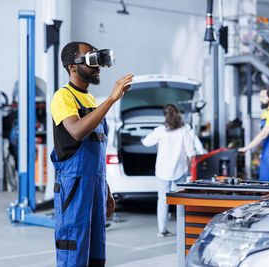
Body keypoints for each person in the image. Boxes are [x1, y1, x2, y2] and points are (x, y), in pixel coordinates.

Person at [50, 41, 134, 267]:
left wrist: (105, 189)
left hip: (95, 188)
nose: (97, 66)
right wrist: (111, 99)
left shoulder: (90, 100)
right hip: (74, 188)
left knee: (96, 255)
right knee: (74, 253)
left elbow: (98, 152)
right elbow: (77, 131)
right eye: (90, 59)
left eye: (98, 59)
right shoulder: (63, 97)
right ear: (73, 66)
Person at [141, 104, 197, 237]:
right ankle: (183, 228)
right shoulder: (184, 129)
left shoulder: (161, 130)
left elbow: (146, 142)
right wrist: (189, 164)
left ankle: (162, 229)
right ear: (177, 113)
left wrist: (156, 143)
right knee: (181, 200)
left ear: (164, 115)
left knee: (162, 200)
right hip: (180, 169)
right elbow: (190, 150)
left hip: (162, 171)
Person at [238, 85, 269, 182]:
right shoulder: (266, 113)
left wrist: (246, 148)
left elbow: (263, 135)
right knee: (264, 181)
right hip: (266, 151)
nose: (260, 99)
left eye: (263, 97)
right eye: (260, 97)